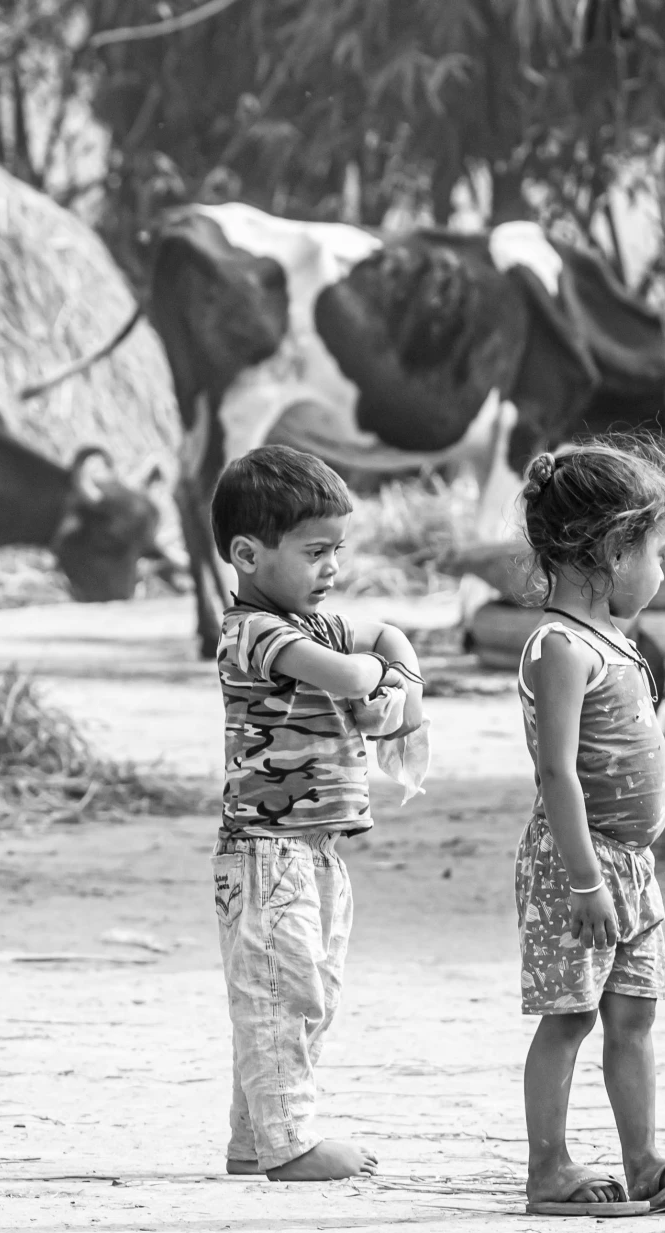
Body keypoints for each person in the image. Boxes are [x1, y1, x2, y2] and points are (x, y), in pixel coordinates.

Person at [513, 440, 665, 1217]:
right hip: (581, 865)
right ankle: (549, 1167)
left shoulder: (611, 638)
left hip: (629, 864)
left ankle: (643, 1158)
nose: (662, 573)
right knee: (569, 1015)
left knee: (633, 1013)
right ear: (609, 549)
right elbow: (556, 772)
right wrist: (583, 879)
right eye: (657, 552)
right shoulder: (559, 646)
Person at [212, 445, 424, 1182]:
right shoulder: (254, 632)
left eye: (338, 549)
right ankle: (290, 1143)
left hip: (315, 848)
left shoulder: (310, 619)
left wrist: (402, 685)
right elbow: (355, 668)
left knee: (302, 990)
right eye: (314, 551)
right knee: (284, 990)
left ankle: (254, 1137)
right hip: (267, 852)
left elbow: (391, 637)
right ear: (247, 554)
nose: (333, 568)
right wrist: (382, 686)